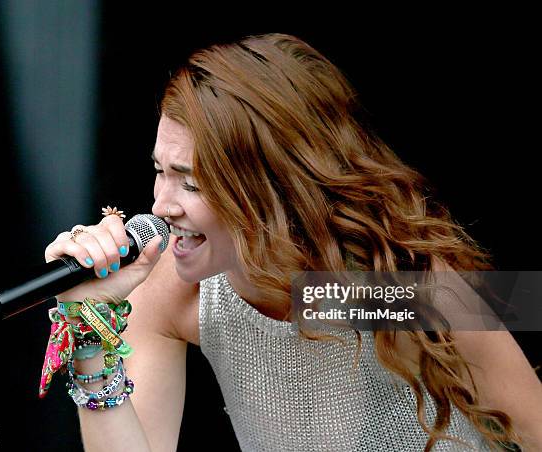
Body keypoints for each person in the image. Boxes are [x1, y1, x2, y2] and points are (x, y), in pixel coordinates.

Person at [43, 33, 542, 451]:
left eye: (192, 182)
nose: (162, 206)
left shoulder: (373, 288)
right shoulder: (177, 291)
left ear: (275, 184)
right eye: (159, 171)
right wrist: (89, 329)